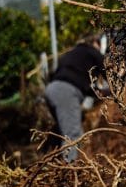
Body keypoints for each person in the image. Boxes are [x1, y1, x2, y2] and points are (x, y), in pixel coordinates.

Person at [44, 34, 105, 162]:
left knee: (62, 130)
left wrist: (98, 93)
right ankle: (70, 172)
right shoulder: (92, 51)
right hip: (66, 93)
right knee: (72, 135)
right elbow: (108, 69)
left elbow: (82, 85)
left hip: (52, 89)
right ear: (95, 42)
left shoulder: (72, 53)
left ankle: (51, 162)